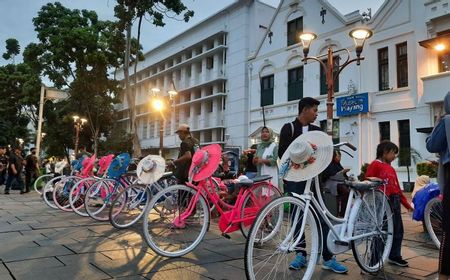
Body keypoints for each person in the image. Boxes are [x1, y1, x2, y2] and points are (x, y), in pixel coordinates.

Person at [278, 97, 348, 273]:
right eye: (314, 110)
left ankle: (328, 256)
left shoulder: (318, 131)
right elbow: (283, 154)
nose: (317, 114)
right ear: (305, 110)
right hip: (295, 179)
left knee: (321, 215)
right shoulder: (289, 128)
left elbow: (325, 155)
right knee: (297, 216)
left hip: (315, 179)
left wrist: (335, 168)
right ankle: (300, 254)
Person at [365, 140, 413, 267]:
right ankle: (374, 260)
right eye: (393, 153)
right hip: (382, 202)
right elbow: (368, 180)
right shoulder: (375, 164)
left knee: (398, 230)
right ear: (385, 152)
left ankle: (394, 255)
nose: (394, 156)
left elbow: (397, 188)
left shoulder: (391, 168)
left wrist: (407, 205)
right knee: (381, 231)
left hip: (395, 200)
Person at [426, 91, 450, 280]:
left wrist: (438, 123)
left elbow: (432, 145)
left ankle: (444, 274)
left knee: (448, 228)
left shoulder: (446, 121)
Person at [321, 149, 350, 217]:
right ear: (333, 156)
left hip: (337, 183)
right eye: (338, 156)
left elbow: (341, 176)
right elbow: (332, 175)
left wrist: (347, 176)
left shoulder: (338, 164)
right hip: (330, 183)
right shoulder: (329, 164)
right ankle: (342, 213)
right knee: (345, 191)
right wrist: (342, 172)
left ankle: (343, 212)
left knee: (348, 189)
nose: (339, 158)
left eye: (340, 156)